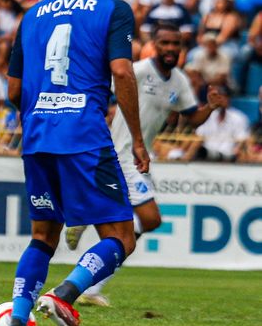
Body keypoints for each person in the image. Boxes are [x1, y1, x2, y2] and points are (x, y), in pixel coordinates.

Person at [0, 0, 150, 326]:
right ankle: (64, 294)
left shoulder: (31, 14)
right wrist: (135, 136)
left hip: (38, 136)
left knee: (42, 237)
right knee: (121, 236)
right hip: (83, 134)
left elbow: (14, 88)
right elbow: (122, 71)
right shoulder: (113, 9)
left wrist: (39, 110)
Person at [65, 24, 227, 306]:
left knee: (131, 228)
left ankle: (90, 274)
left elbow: (192, 118)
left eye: (175, 44)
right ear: (154, 44)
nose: (170, 48)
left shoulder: (178, 81)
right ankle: (87, 222)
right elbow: (103, 90)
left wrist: (210, 107)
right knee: (149, 219)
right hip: (122, 154)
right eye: (164, 43)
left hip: (139, 158)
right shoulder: (138, 71)